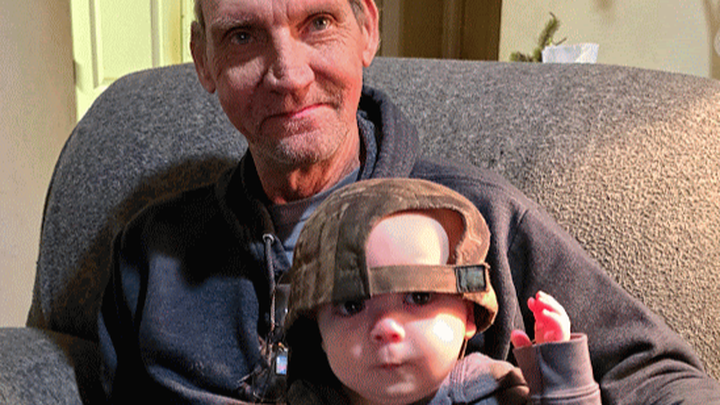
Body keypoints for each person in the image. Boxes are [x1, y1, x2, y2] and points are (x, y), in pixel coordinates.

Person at [97, 0, 720, 403]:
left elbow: (658, 375)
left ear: (367, 28)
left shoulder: (476, 217)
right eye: (241, 36)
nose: (288, 75)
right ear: (203, 59)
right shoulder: (151, 250)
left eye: (318, 22)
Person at [284, 178, 601, 405]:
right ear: (318, 330)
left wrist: (559, 379)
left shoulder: (491, 390)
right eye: (352, 305)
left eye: (419, 297)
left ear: (469, 314)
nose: (386, 327)